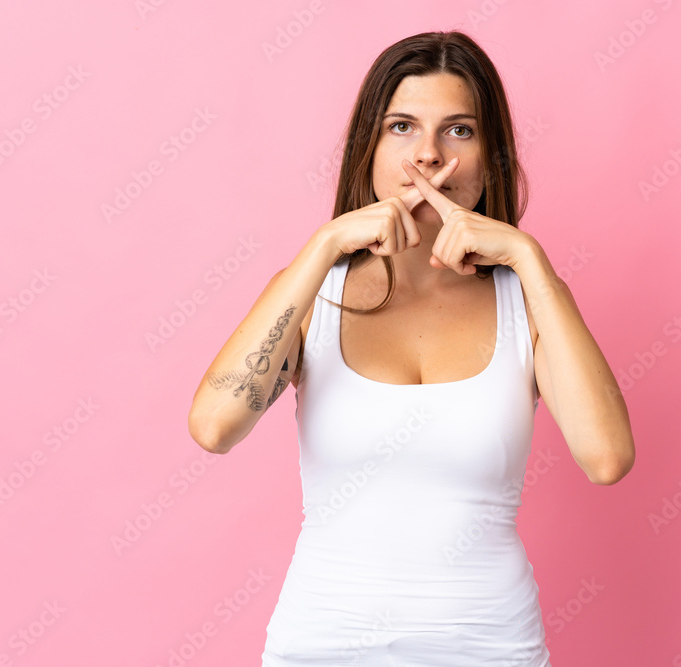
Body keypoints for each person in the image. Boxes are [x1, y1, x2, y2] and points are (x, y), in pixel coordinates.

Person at [188, 29, 635, 666]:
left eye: (459, 131)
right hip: (323, 646)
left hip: (491, 648)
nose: (428, 154)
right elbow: (214, 426)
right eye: (401, 127)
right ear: (368, 149)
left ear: (491, 157)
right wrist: (322, 246)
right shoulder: (310, 293)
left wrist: (530, 259)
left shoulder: (530, 302)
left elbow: (607, 457)